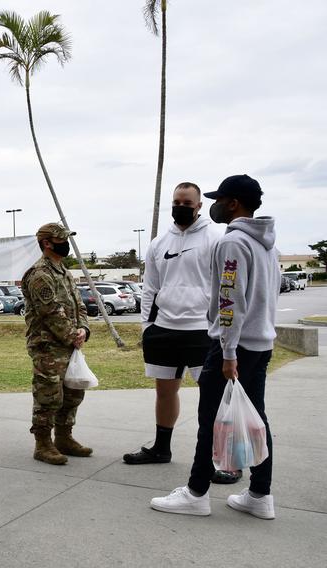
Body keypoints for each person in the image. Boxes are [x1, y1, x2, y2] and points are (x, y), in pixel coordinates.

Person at [151, 174, 280, 519]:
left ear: (234, 202)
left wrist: (227, 352)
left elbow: (228, 302)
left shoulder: (232, 242)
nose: (215, 205)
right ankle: (260, 494)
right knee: (257, 419)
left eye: (219, 199)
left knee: (210, 418)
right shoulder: (268, 244)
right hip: (261, 343)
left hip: (236, 349)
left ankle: (196, 493)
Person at [123, 183, 221, 466]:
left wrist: (221, 329)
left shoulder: (216, 237)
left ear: (199, 206)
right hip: (164, 329)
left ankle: (217, 458)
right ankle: (161, 449)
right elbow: (150, 288)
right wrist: (147, 326)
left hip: (202, 330)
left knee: (214, 395)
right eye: (176, 201)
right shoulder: (158, 243)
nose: (181, 206)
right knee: (164, 391)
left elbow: (224, 288)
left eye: (187, 203)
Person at [21, 222, 91, 466]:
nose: (67, 243)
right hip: (47, 347)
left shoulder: (63, 271)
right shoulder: (39, 274)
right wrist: (74, 335)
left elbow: (78, 305)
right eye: (62, 239)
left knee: (73, 393)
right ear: (47, 243)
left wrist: (84, 329)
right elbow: (50, 312)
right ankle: (43, 443)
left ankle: (64, 437)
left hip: (69, 345)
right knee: (48, 395)